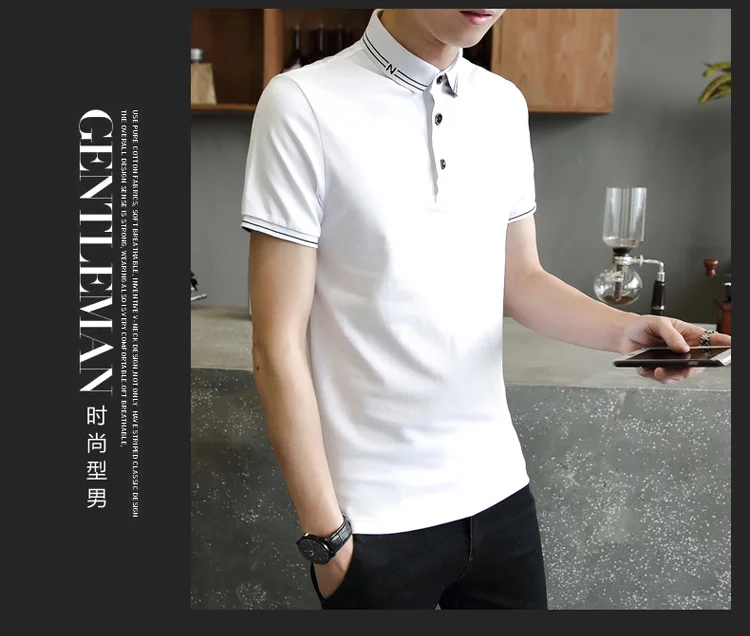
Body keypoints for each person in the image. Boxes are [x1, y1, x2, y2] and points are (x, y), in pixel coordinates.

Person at [240, 8, 731, 610]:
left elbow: (520, 280)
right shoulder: (302, 103)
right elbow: (275, 345)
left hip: (500, 500)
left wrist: (631, 330)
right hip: (371, 519)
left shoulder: (502, 104)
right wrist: (328, 536)